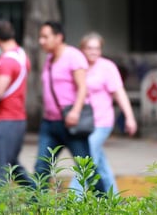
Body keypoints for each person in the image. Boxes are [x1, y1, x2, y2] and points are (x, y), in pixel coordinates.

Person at [34, 21, 104, 192]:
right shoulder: (49, 59)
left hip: (71, 122)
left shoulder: (73, 56)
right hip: (49, 124)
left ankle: (105, 204)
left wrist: (75, 112)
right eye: (40, 37)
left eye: (45, 37)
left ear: (59, 37)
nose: (41, 41)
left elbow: (83, 87)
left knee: (86, 169)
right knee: (41, 168)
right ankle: (37, 207)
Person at [69, 32, 137, 193]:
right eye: (90, 48)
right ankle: (113, 200)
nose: (93, 52)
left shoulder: (107, 67)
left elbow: (119, 93)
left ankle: (72, 201)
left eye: (97, 48)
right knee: (101, 165)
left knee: (84, 161)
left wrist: (130, 117)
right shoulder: (78, 66)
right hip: (84, 122)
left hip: (102, 122)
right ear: (82, 49)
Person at [0, 20, 34, 188]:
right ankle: (37, 196)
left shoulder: (7, 62)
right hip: (18, 118)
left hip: (7, 119)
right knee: (12, 164)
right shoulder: (22, 55)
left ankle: (0, 206)